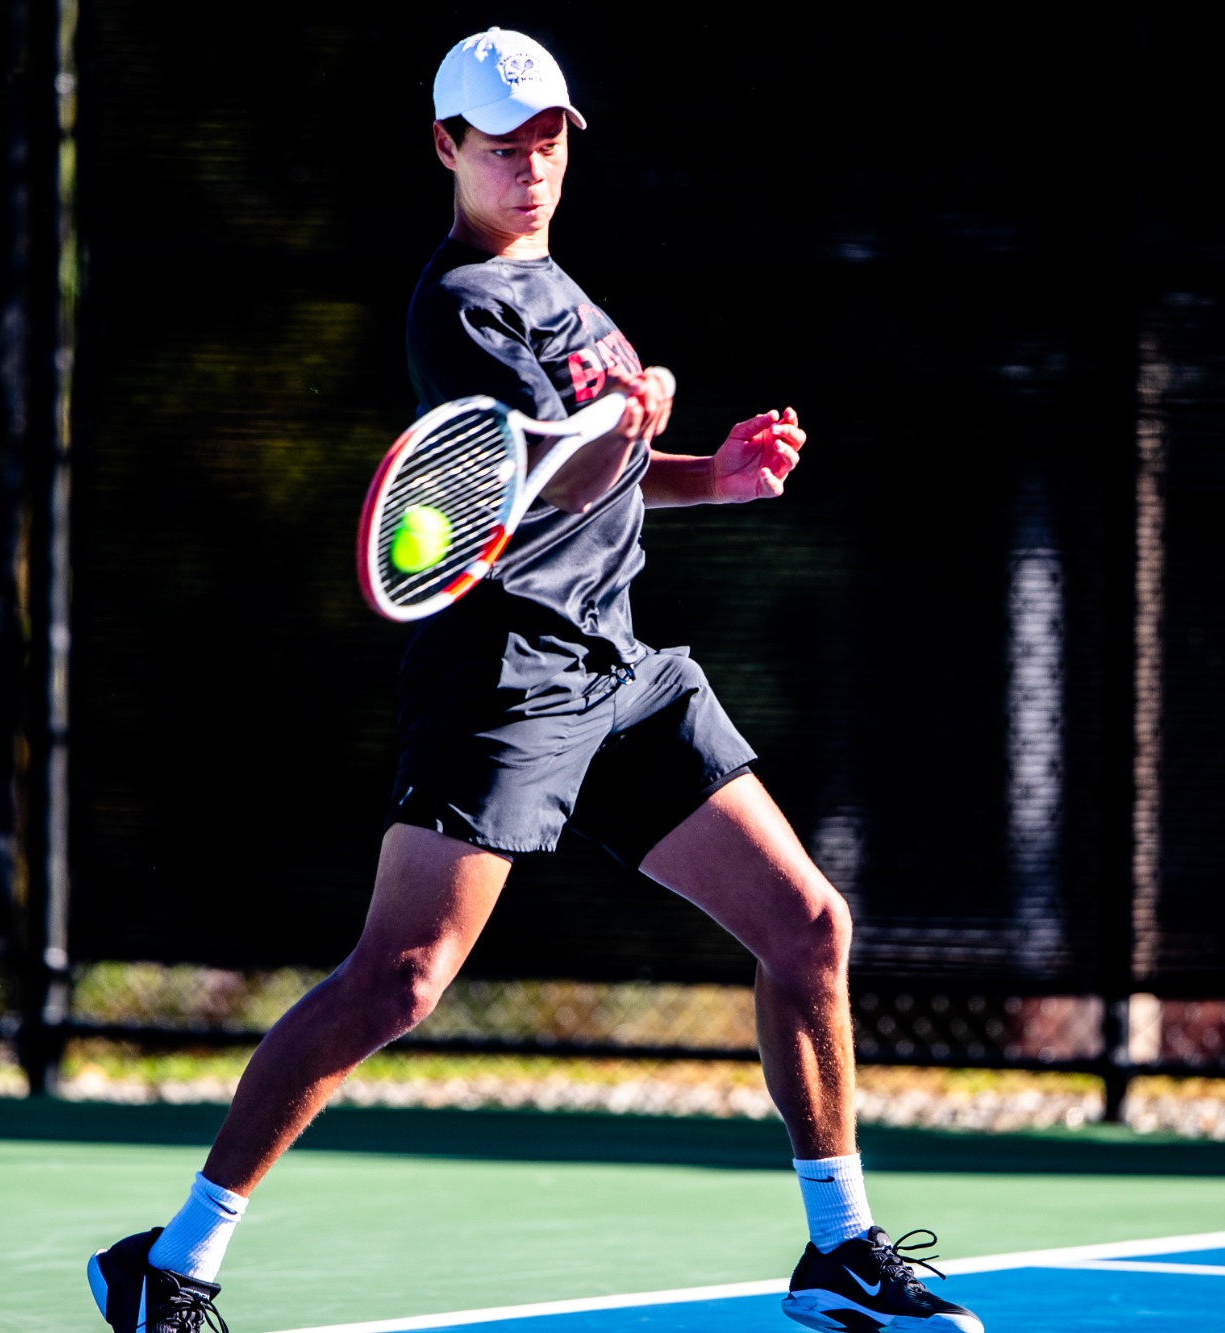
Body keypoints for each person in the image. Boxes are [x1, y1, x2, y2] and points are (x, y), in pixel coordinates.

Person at [89, 27, 983, 1333]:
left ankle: (840, 1247)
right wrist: (631, 425)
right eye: (501, 144)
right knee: (397, 981)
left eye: (549, 138)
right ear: (445, 149)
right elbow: (527, 485)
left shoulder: (567, 288)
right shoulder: (455, 308)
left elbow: (601, 468)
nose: (530, 164)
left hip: (620, 664)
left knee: (810, 927)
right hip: (504, 671)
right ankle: (171, 1258)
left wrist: (707, 478)